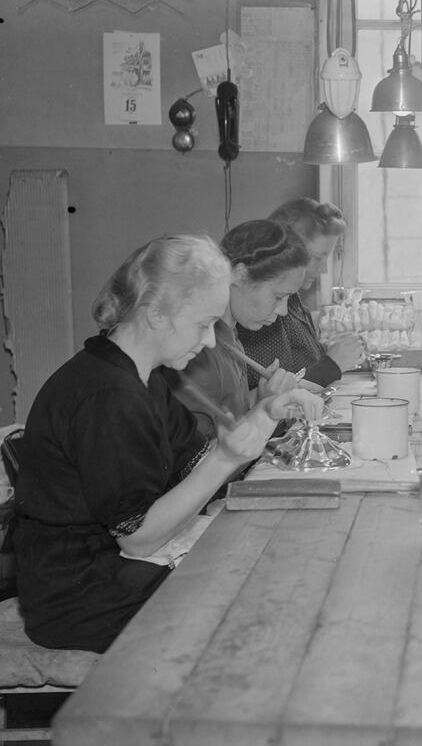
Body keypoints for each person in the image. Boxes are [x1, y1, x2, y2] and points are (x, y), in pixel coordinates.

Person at [11, 235, 324, 652]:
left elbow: (191, 465)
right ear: (157, 315)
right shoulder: (109, 397)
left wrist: (264, 417)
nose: (212, 341)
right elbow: (137, 536)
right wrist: (224, 457)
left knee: (278, 565)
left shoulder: (145, 379)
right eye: (203, 325)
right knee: (267, 605)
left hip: (113, 573)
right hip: (81, 595)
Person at [172, 220, 314, 438]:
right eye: (278, 297)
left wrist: (261, 397)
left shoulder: (232, 335)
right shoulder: (200, 351)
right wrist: (265, 411)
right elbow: (196, 460)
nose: (284, 311)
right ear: (239, 275)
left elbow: (227, 411)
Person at [237, 198, 364, 388]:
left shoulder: (292, 300)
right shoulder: (263, 313)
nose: (323, 270)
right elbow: (271, 389)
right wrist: (332, 365)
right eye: (317, 258)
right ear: (288, 249)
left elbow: (299, 366)